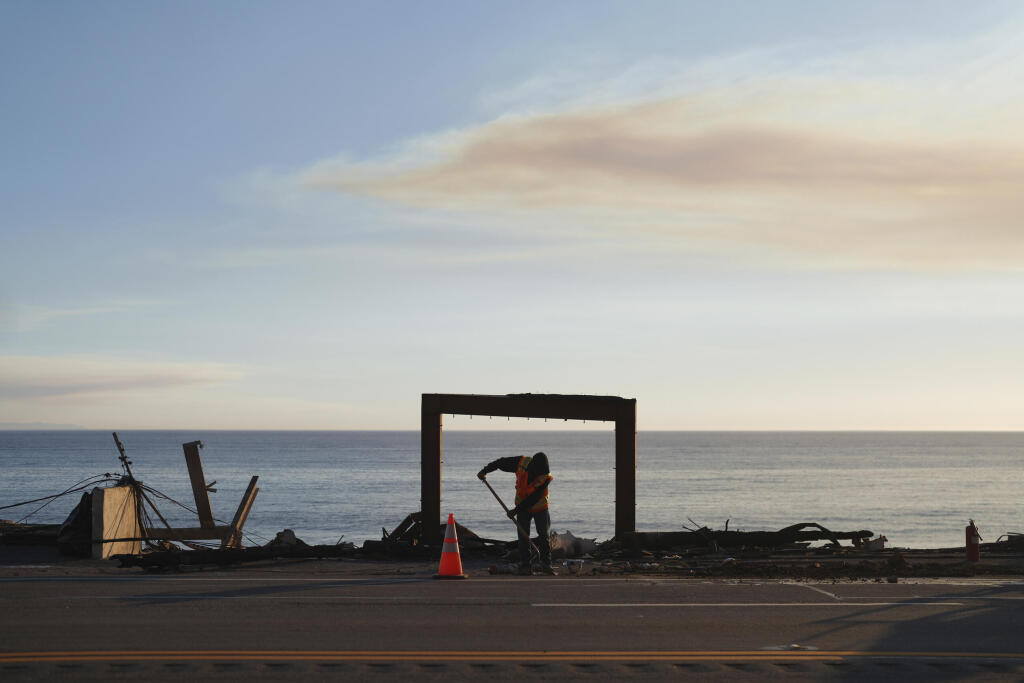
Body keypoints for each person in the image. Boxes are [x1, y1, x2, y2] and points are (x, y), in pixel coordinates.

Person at [478, 452, 554, 575]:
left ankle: (546, 564)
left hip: (540, 507)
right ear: (533, 467)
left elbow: (534, 498)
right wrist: (485, 471)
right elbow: (501, 463)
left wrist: (515, 511)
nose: (539, 475)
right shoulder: (522, 463)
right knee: (523, 537)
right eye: (538, 472)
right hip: (522, 508)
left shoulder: (546, 477)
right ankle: (526, 566)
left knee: (544, 536)